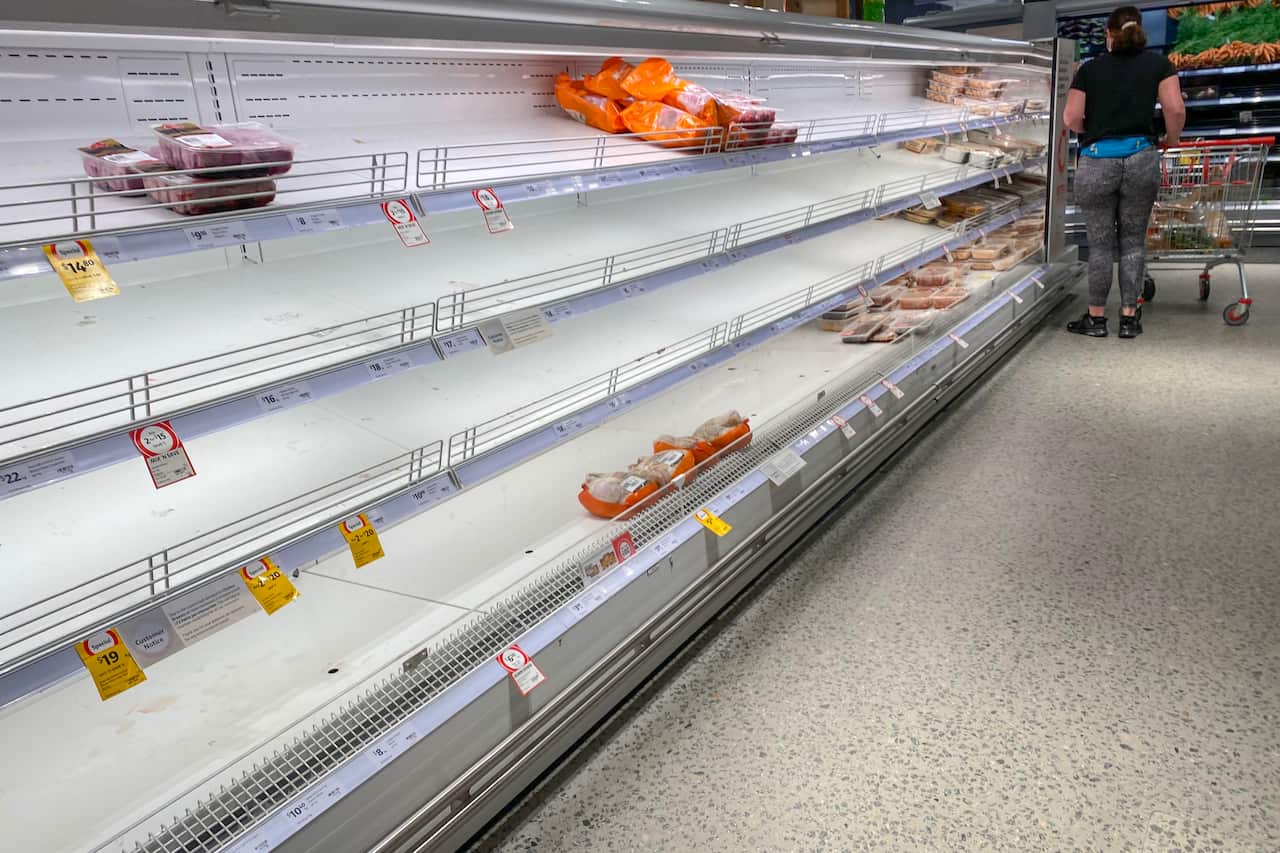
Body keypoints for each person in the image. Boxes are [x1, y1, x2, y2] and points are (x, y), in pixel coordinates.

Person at [1062, 6, 1185, 339]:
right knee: (1132, 243)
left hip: (1097, 161)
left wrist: (1096, 129)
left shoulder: (1090, 69)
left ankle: (1096, 319)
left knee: (1100, 246)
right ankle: (1129, 319)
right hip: (1141, 160)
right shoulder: (1159, 65)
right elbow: (1174, 108)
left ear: (1108, 34)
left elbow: (1071, 118)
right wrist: (1171, 140)